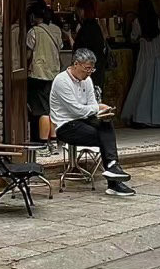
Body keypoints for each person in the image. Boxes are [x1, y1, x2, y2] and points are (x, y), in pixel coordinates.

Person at [50, 48, 136, 197]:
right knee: (105, 137)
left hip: (84, 120)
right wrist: (98, 107)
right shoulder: (61, 81)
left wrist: (103, 112)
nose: (89, 72)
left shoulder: (87, 80)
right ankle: (113, 177)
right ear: (76, 64)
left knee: (106, 123)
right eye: (87, 68)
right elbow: (76, 110)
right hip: (66, 125)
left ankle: (113, 168)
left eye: (92, 69)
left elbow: (91, 104)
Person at [26, 1, 63, 148]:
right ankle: (53, 140)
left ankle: (42, 143)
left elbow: (28, 53)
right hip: (54, 73)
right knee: (52, 107)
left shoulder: (34, 32)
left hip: (38, 74)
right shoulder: (56, 29)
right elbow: (60, 47)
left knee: (42, 110)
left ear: (33, 16)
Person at [73, 0, 108, 92]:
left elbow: (80, 50)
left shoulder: (86, 28)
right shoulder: (95, 26)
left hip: (87, 73)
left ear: (83, 10)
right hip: (96, 71)